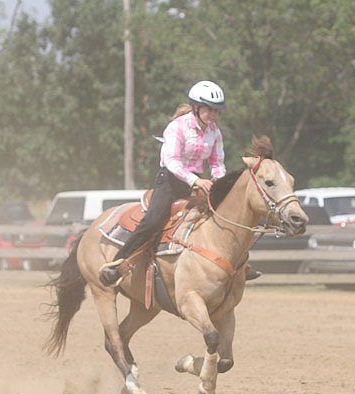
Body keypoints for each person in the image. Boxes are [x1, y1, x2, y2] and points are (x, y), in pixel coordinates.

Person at [101, 80, 251, 286]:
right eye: (210, 109)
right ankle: (117, 263)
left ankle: (240, 264)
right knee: (153, 221)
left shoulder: (215, 132)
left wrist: (218, 181)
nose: (214, 115)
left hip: (199, 183)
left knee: (228, 214)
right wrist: (196, 180)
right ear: (195, 107)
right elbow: (172, 161)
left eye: (217, 111)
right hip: (170, 182)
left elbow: (217, 162)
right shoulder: (177, 127)